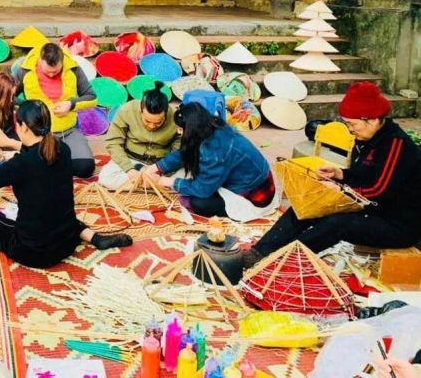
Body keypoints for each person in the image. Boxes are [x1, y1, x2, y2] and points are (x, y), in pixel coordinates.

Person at [246, 82, 421, 266]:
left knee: (337, 223)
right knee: (307, 204)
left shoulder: (395, 144)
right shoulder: (365, 138)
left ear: (373, 119)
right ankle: (258, 253)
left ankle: (281, 261)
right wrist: (340, 174)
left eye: (352, 124)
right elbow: (363, 175)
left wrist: (340, 192)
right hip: (371, 210)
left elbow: (379, 190)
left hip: (397, 224)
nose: (349, 129)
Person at [0, 100, 132, 268]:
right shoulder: (62, 149)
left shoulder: (20, 164)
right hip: (67, 244)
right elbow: (35, 150)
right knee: (59, 214)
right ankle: (95, 238)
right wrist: (8, 142)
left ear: (23, 127)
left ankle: (91, 237)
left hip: (35, 253)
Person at [141, 102, 275, 218]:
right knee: (188, 179)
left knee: (199, 203)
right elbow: (186, 150)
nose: (178, 132)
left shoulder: (214, 151)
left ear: (191, 129)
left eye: (181, 129)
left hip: (254, 193)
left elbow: (203, 189)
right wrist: (157, 167)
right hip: (246, 177)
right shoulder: (210, 124)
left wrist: (167, 181)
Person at [11, 42, 97, 177]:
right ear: (40, 60)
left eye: (55, 71)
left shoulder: (74, 69)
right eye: (47, 72)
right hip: (38, 134)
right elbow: (8, 96)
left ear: (62, 62)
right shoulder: (24, 71)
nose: (51, 75)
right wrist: (30, 107)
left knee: (85, 168)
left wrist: (71, 104)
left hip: (68, 130)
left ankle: (55, 165)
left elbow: (91, 97)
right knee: (33, 168)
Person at [100, 81, 179, 189]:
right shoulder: (127, 110)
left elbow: (179, 148)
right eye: (147, 121)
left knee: (189, 178)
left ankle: (144, 182)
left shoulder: (176, 117)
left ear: (166, 114)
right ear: (141, 111)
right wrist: (129, 169)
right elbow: (113, 142)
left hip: (161, 163)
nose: (151, 126)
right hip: (132, 160)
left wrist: (163, 168)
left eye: (158, 123)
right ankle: (153, 183)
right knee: (105, 178)